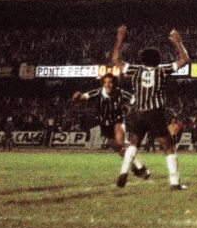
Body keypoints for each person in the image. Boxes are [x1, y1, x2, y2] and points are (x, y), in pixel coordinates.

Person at [110, 25, 190, 191]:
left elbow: (116, 60)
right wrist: (178, 43)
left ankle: (124, 171)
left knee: (134, 143)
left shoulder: (135, 70)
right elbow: (184, 60)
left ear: (143, 60)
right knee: (169, 147)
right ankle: (175, 183)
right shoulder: (162, 70)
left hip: (138, 112)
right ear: (158, 60)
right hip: (155, 113)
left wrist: (119, 39)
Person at [72, 72, 150, 180]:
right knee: (119, 149)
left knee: (120, 142)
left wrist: (134, 109)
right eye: (106, 82)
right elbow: (84, 96)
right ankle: (136, 166)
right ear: (103, 84)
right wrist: (78, 96)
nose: (108, 85)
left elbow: (134, 99)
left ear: (114, 84)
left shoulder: (120, 93)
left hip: (118, 121)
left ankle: (140, 168)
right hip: (104, 125)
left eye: (111, 82)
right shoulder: (98, 92)